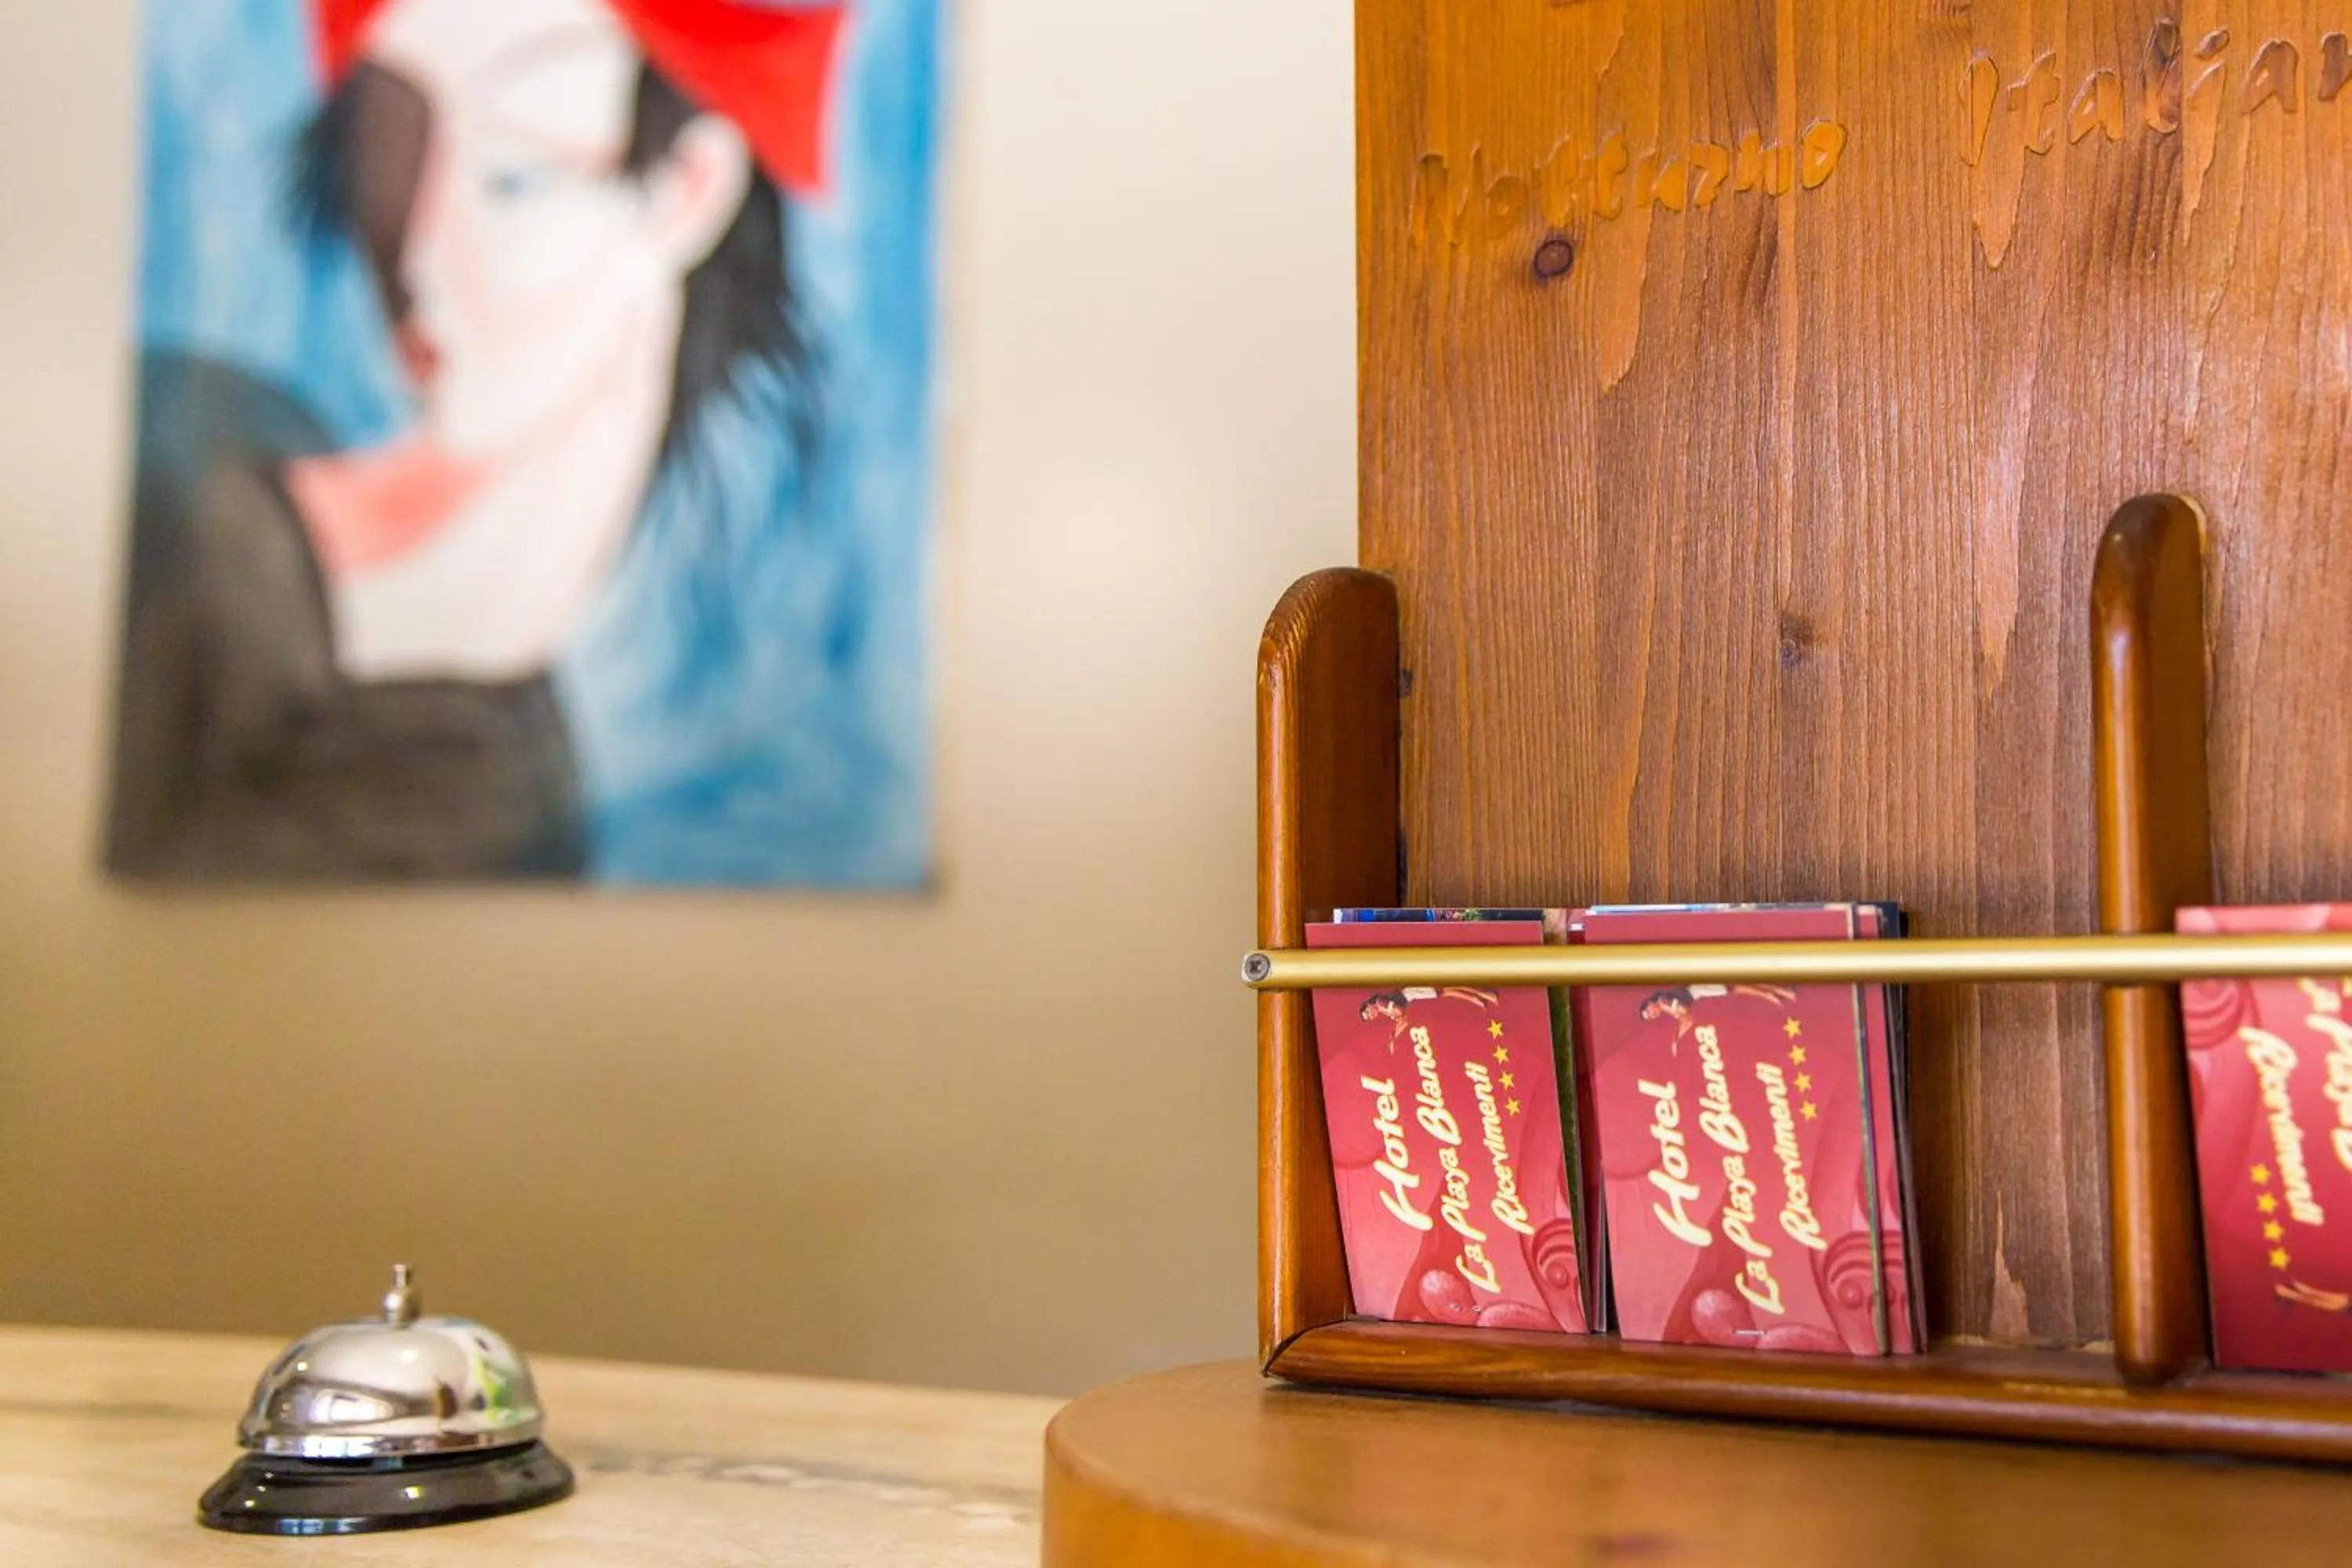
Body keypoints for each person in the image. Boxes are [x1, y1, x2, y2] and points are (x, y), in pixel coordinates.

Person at [107, 0, 841, 878]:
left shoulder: (499, 808)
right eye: (396, 147)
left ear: (688, 191)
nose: (421, 256)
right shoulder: (177, 460)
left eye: (515, 177)